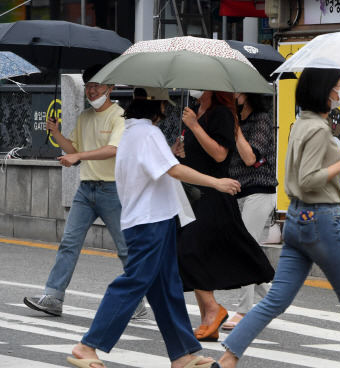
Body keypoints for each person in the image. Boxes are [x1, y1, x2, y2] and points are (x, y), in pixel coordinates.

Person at [213, 67, 340, 368]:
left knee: (275, 300)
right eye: (339, 87)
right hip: (321, 223)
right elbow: (309, 180)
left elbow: (323, 184)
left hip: (297, 220)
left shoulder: (302, 124)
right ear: (325, 90)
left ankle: (228, 358)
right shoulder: (319, 130)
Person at [67, 87, 241, 368]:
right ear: (156, 107)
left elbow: (158, 167)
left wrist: (170, 153)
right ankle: (87, 345)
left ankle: (183, 354)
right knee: (135, 281)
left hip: (152, 219)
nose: (166, 110)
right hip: (149, 221)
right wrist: (217, 182)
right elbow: (173, 170)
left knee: (167, 289)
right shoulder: (147, 133)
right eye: (164, 105)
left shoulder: (133, 132)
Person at [24, 64, 146, 319]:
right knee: (69, 243)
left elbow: (113, 150)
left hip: (113, 191)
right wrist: (56, 133)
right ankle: (53, 297)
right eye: (88, 85)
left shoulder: (120, 116)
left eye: (97, 86)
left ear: (110, 88)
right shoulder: (84, 117)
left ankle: (137, 301)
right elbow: (72, 151)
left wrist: (78, 154)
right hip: (85, 190)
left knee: (124, 248)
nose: (91, 91)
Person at [176, 90, 275, 342]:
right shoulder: (196, 111)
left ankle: (217, 310)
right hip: (194, 195)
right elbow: (196, 154)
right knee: (196, 254)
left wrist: (195, 126)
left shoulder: (220, 113)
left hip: (214, 195)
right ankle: (209, 320)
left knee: (189, 250)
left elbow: (220, 154)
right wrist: (179, 150)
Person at [222, 92, 278, 331]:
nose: (231, 96)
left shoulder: (262, 120)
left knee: (244, 247)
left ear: (245, 94)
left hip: (259, 191)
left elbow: (249, 157)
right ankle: (273, 299)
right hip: (236, 192)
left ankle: (244, 311)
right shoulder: (237, 121)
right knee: (241, 249)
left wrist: (234, 125)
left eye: (234, 93)